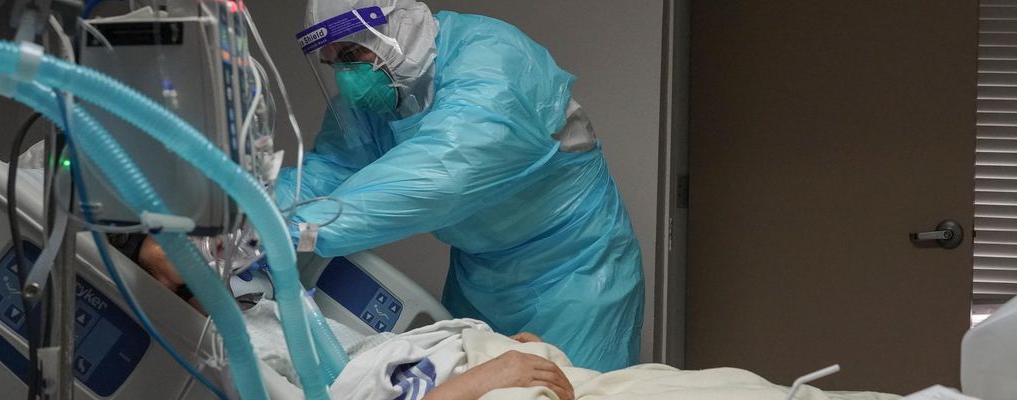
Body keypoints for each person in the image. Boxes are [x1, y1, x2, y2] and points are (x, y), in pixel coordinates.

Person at [278, 0, 643, 371]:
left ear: (400, 26)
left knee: (575, 387)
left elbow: (443, 172)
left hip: (574, 271)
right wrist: (254, 209)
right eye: (334, 62)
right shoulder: (379, 101)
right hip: (479, 277)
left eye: (353, 54)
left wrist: (289, 231)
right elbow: (332, 170)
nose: (346, 76)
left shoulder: (491, 58)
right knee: (475, 384)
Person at [107, 232, 576, 400]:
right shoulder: (227, 356)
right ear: (156, 283)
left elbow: (367, 360)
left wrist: (489, 352)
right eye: (171, 245)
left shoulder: (264, 309)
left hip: (457, 367)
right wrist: (481, 379)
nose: (205, 243)